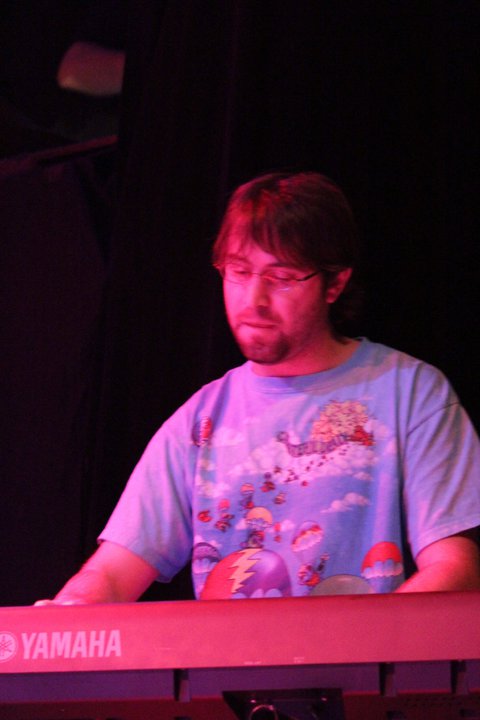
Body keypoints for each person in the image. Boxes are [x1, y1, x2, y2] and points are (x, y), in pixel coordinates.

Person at [37, 171, 480, 605]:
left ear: (335, 283)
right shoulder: (199, 420)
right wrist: (66, 616)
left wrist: (362, 642)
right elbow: (112, 573)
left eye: (281, 277)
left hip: (364, 657)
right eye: (239, 271)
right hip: (227, 658)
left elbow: (455, 568)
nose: (253, 300)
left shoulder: (410, 393)